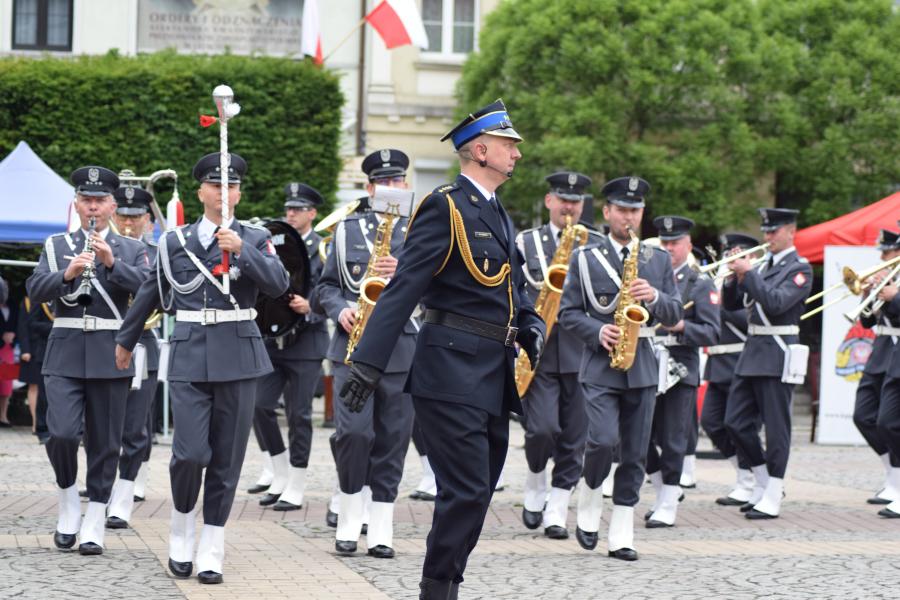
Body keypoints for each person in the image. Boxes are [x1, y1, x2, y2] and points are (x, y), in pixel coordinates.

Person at [340, 100, 545, 599]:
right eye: (507, 145)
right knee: (467, 489)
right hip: (448, 370)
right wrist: (367, 364)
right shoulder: (446, 205)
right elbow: (405, 287)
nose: (516, 154)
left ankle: (445, 584)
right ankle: (436, 591)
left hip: (491, 373)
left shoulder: (498, 212)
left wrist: (531, 323)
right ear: (480, 150)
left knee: (477, 492)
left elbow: (511, 285)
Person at [114, 152, 288, 583]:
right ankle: (180, 527)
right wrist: (125, 339)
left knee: (228, 460)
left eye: (230, 186)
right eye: (215, 186)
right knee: (189, 454)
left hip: (240, 356)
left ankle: (212, 543)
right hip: (191, 353)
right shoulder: (175, 242)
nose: (223, 193)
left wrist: (243, 250)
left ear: (239, 192)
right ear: (200, 192)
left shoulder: (257, 236)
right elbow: (151, 292)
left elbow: (280, 285)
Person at [26, 166, 149, 555]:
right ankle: (68, 500)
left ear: (113, 205)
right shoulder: (55, 244)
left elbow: (149, 291)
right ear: (76, 204)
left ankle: (96, 515)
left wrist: (111, 262)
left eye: (100, 201)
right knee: (60, 432)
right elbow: (34, 289)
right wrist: (68, 272)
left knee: (106, 441)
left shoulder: (132, 248)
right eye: (86, 200)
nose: (93, 206)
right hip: (64, 349)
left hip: (112, 350)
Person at [558, 176, 682, 561]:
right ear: (607, 211)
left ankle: (623, 527)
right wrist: (598, 331)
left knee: (634, 451)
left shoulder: (658, 259)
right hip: (600, 364)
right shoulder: (584, 257)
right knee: (601, 440)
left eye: (636, 210)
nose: (629, 216)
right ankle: (591, 498)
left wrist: (657, 296)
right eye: (622, 209)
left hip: (643, 363)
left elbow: (676, 312)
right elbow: (567, 314)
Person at [315, 149, 417, 559]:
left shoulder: (419, 233)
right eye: (384, 183)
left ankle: (381, 526)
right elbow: (325, 288)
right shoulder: (345, 231)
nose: (393, 189)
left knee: (393, 439)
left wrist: (407, 273)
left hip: (402, 349)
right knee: (355, 434)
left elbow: (439, 292)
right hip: (353, 350)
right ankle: (348, 514)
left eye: (399, 182)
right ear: (371, 188)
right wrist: (340, 309)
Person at [516, 171, 599, 539]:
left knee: (576, 437)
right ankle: (535, 478)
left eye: (576, 202)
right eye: (563, 200)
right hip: (540, 352)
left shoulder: (596, 245)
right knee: (542, 428)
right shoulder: (525, 242)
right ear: (549, 201)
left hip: (583, 351)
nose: (569, 207)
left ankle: (558, 506)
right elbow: (513, 289)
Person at [723, 208, 813, 519]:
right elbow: (732, 304)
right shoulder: (761, 264)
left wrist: (750, 274)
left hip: (777, 351)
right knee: (734, 422)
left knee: (777, 428)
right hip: (753, 353)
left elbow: (776, 304)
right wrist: (734, 276)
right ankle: (762, 482)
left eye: (773, 231)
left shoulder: (800, 269)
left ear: (791, 231)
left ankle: (773, 492)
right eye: (766, 231)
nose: (767, 237)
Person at [253, 182, 329, 511]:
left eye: (298, 209)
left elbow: (329, 289)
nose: (291, 214)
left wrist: (310, 307)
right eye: (289, 209)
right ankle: (280, 472)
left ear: (312, 213)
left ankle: (296, 483)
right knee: (259, 405)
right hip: (274, 340)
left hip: (306, 343)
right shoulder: (272, 242)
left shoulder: (322, 248)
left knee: (299, 415)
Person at [644, 216, 719, 527]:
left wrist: (683, 325)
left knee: (674, 438)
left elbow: (712, 332)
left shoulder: (700, 282)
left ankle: (668, 502)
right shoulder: (650, 278)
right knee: (639, 435)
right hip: (648, 363)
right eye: (665, 242)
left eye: (676, 242)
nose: (670, 248)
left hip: (680, 367)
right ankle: (664, 490)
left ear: (688, 245)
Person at [105, 184, 161, 529]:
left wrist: (115, 267)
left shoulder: (158, 253)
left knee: (136, 428)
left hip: (143, 344)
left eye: (135, 217)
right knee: (99, 426)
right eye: (123, 216)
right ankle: (102, 486)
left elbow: (149, 288)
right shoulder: (99, 248)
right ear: (114, 215)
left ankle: (123, 497)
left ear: (148, 220)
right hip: (102, 344)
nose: (128, 223)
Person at [699, 233, 759, 506]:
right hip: (717, 365)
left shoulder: (755, 280)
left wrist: (717, 305)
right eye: (727, 254)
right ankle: (744, 475)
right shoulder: (723, 282)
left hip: (741, 362)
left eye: (735, 254)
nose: (729, 259)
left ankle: (757, 480)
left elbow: (748, 321)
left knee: (740, 426)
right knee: (712, 422)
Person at [856, 229, 900, 508]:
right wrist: (868, 295)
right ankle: (892, 474)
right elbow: (867, 322)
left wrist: (893, 296)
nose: (882, 257)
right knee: (863, 416)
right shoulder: (887, 277)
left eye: (887, 252)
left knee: (889, 422)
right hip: (883, 350)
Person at [16, 294, 53, 442]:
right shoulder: (39, 300)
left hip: (63, 350)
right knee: (41, 390)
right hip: (41, 350)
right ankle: (41, 428)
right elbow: (29, 324)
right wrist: (53, 326)